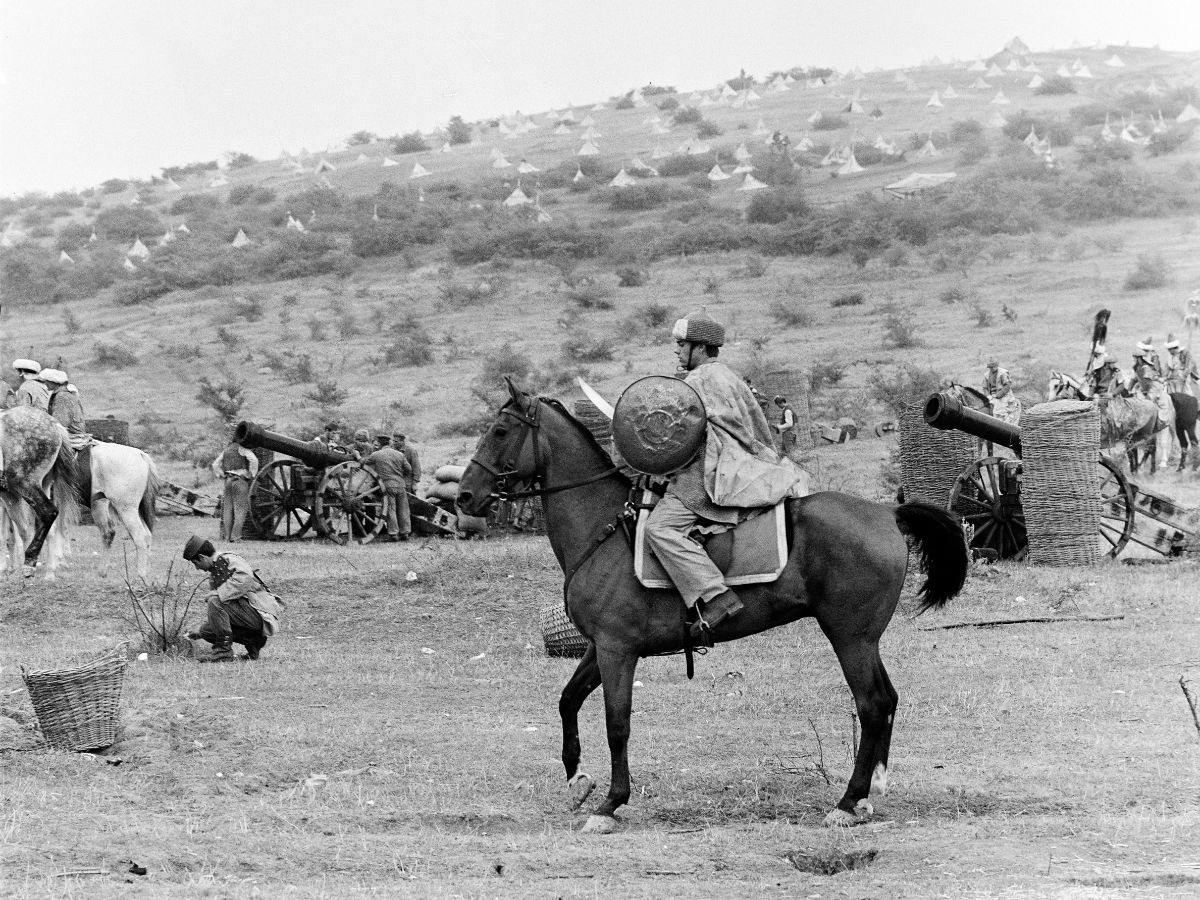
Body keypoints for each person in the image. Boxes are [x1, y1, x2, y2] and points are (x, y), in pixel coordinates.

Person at [644, 312, 809, 643]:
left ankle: (715, 597)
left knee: (658, 528)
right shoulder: (728, 376)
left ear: (700, 348)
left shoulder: (695, 383)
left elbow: (679, 438)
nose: (676, 352)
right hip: (741, 463)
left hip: (711, 472)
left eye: (681, 345)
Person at [183, 535, 285, 662]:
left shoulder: (228, 559)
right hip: (246, 614)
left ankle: (223, 652)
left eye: (196, 563)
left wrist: (218, 594)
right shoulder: (215, 571)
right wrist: (199, 631)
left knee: (214, 600)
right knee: (205, 631)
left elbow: (245, 578)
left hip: (259, 613)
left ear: (202, 557)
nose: (197, 568)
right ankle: (253, 640)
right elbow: (220, 613)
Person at [211, 430, 259, 542]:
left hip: (228, 480)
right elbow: (254, 460)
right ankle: (236, 537)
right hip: (240, 480)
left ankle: (227, 537)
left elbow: (215, 464)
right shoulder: (242, 449)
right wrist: (251, 474)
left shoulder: (226, 450)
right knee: (240, 509)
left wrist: (221, 475)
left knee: (227, 510)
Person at [366, 435, 412, 542]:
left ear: (380, 444)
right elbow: (409, 469)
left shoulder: (376, 454)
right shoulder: (399, 454)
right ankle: (405, 533)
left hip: (387, 485)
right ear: (389, 443)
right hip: (401, 484)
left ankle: (393, 534)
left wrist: (358, 456)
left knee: (391, 509)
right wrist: (400, 476)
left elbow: (363, 462)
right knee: (403, 509)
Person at [42, 368, 87, 439]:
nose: (45, 384)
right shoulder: (64, 393)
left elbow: (61, 422)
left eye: (47, 381)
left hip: (71, 435)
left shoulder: (62, 396)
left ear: (54, 382)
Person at [982, 359, 1022, 425]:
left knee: (1003, 413)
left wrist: (998, 395)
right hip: (992, 396)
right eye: (990, 367)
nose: (992, 368)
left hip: (1004, 395)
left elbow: (1007, 386)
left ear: (997, 366)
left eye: (993, 367)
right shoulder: (986, 375)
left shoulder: (1003, 373)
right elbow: (985, 388)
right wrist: (988, 396)